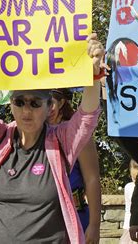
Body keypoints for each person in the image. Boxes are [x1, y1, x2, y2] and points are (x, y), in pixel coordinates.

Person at [0, 33, 104, 243]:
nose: (27, 110)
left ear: (49, 107)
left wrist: (94, 72)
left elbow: (87, 117)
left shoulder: (61, 141)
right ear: (11, 104)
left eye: (35, 103)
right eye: (19, 102)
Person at [48, 88, 101, 244]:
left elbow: (92, 178)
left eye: (51, 102)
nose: (47, 108)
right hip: (43, 218)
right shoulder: (32, 134)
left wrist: (94, 224)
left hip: (74, 216)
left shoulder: (77, 133)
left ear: (62, 102)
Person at [120, 160, 138, 244]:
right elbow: (128, 209)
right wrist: (127, 227)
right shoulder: (128, 187)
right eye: (133, 178)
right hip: (130, 228)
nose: (136, 182)